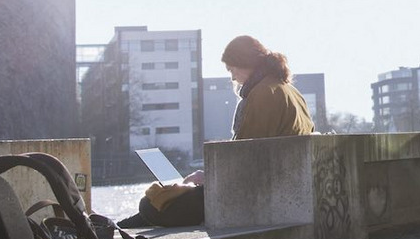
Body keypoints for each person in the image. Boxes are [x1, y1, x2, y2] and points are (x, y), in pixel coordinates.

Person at [124, 36, 315, 228]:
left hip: (257, 190)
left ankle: (116, 229)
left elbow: (245, 158)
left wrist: (208, 177)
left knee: (151, 204)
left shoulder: (263, 94)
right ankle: (118, 227)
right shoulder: (291, 92)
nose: (232, 77)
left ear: (244, 63)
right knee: (168, 199)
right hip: (282, 181)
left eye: (232, 70)